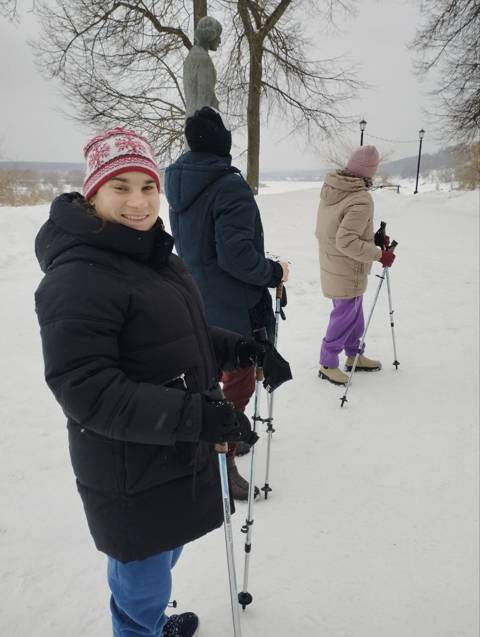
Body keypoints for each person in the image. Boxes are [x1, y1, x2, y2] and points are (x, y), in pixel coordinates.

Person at [34, 127, 266, 637]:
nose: (138, 201)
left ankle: (149, 624)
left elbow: (181, 332)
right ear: (93, 192)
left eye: (147, 185)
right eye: (121, 187)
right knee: (142, 580)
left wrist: (239, 347)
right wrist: (196, 417)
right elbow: (86, 390)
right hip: (129, 468)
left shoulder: (153, 254)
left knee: (163, 556)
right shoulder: (77, 278)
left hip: (170, 454)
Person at [164, 107, 289, 500]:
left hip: (196, 292)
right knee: (239, 377)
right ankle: (224, 457)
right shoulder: (227, 184)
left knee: (213, 370)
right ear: (223, 143)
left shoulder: (180, 180)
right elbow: (235, 256)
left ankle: (223, 440)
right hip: (233, 300)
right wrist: (274, 272)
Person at [314, 145, 396, 386]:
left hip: (334, 264)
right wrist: (379, 254)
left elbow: (338, 228)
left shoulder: (334, 188)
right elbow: (346, 240)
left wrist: (373, 238)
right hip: (347, 267)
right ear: (369, 173)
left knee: (353, 314)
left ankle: (353, 355)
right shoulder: (361, 198)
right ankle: (328, 363)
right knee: (344, 316)